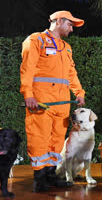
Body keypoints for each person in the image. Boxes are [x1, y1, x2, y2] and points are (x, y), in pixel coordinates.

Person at [20, 11, 86, 192]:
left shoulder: (66, 47)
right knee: (39, 138)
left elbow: (71, 74)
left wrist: (79, 92)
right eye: (70, 25)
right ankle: (39, 179)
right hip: (41, 100)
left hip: (63, 102)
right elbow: (27, 69)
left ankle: (51, 175)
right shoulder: (36, 40)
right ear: (59, 21)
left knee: (57, 139)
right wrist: (28, 95)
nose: (72, 29)